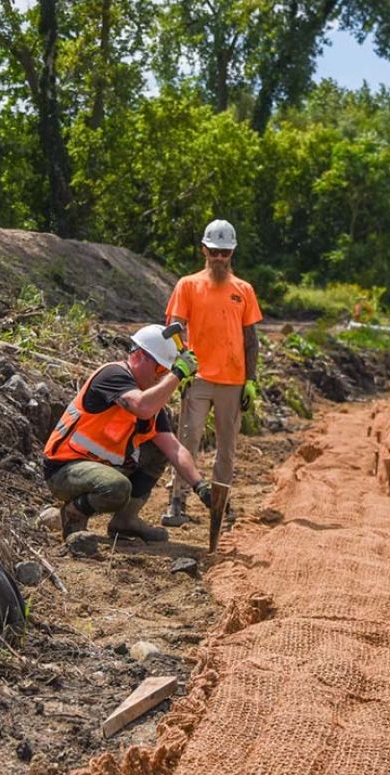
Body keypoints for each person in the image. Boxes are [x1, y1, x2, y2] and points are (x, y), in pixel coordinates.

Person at [43, 324, 213, 542]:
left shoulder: (152, 402)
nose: (161, 378)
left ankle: (125, 521)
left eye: (165, 372)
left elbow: (173, 448)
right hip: (64, 469)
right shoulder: (113, 375)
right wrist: (177, 374)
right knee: (117, 487)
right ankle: (73, 514)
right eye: (161, 370)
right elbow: (141, 407)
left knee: (158, 450)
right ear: (140, 356)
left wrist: (200, 486)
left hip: (99, 468)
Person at [161, 218, 263, 527]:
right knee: (187, 441)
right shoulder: (188, 285)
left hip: (233, 381)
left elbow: (251, 339)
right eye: (215, 251)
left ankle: (221, 502)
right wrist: (182, 366)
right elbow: (174, 328)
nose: (220, 258)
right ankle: (176, 501)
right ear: (204, 249)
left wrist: (251, 381)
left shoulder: (243, 289)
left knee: (227, 448)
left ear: (232, 253)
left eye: (225, 253)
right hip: (199, 377)